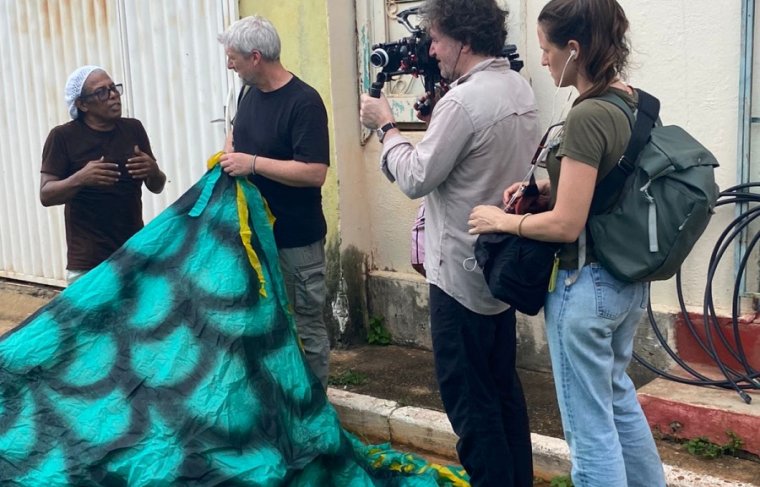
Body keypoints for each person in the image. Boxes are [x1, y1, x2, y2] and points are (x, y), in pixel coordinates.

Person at [468, 1, 667, 485]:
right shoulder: (635, 102)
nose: (542, 61)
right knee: (618, 401)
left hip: (586, 286)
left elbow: (565, 225)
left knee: (588, 430)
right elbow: (608, 184)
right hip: (626, 286)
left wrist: (503, 221)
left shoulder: (587, 116)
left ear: (573, 49)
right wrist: (541, 189)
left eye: (546, 49)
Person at [360, 0, 539, 484]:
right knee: (503, 392)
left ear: (462, 39)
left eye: (435, 38)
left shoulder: (463, 102)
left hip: (458, 275)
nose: (430, 49)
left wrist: (386, 126)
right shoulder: (517, 88)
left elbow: (417, 176)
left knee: (471, 407)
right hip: (497, 269)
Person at [217, 16, 331, 390]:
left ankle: (314, 414)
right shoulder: (247, 93)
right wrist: (231, 151)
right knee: (265, 324)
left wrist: (251, 164)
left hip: (296, 241)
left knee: (306, 328)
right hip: (255, 239)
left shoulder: (304, 102)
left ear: (254, 57)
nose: (228, 64)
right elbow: (237, 132)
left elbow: (314, 172)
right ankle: (281, 407)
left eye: (232, 57)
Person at [40, 66, 166, 284]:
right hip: (89, 263)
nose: (113, 96)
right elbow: (46, 195)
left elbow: (157, 185)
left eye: (114, 88)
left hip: (133, 253)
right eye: (102, 92)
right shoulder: (63, 137)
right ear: (82, 104)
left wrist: (153, 171)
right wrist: (81, 178)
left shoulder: (133, 129)